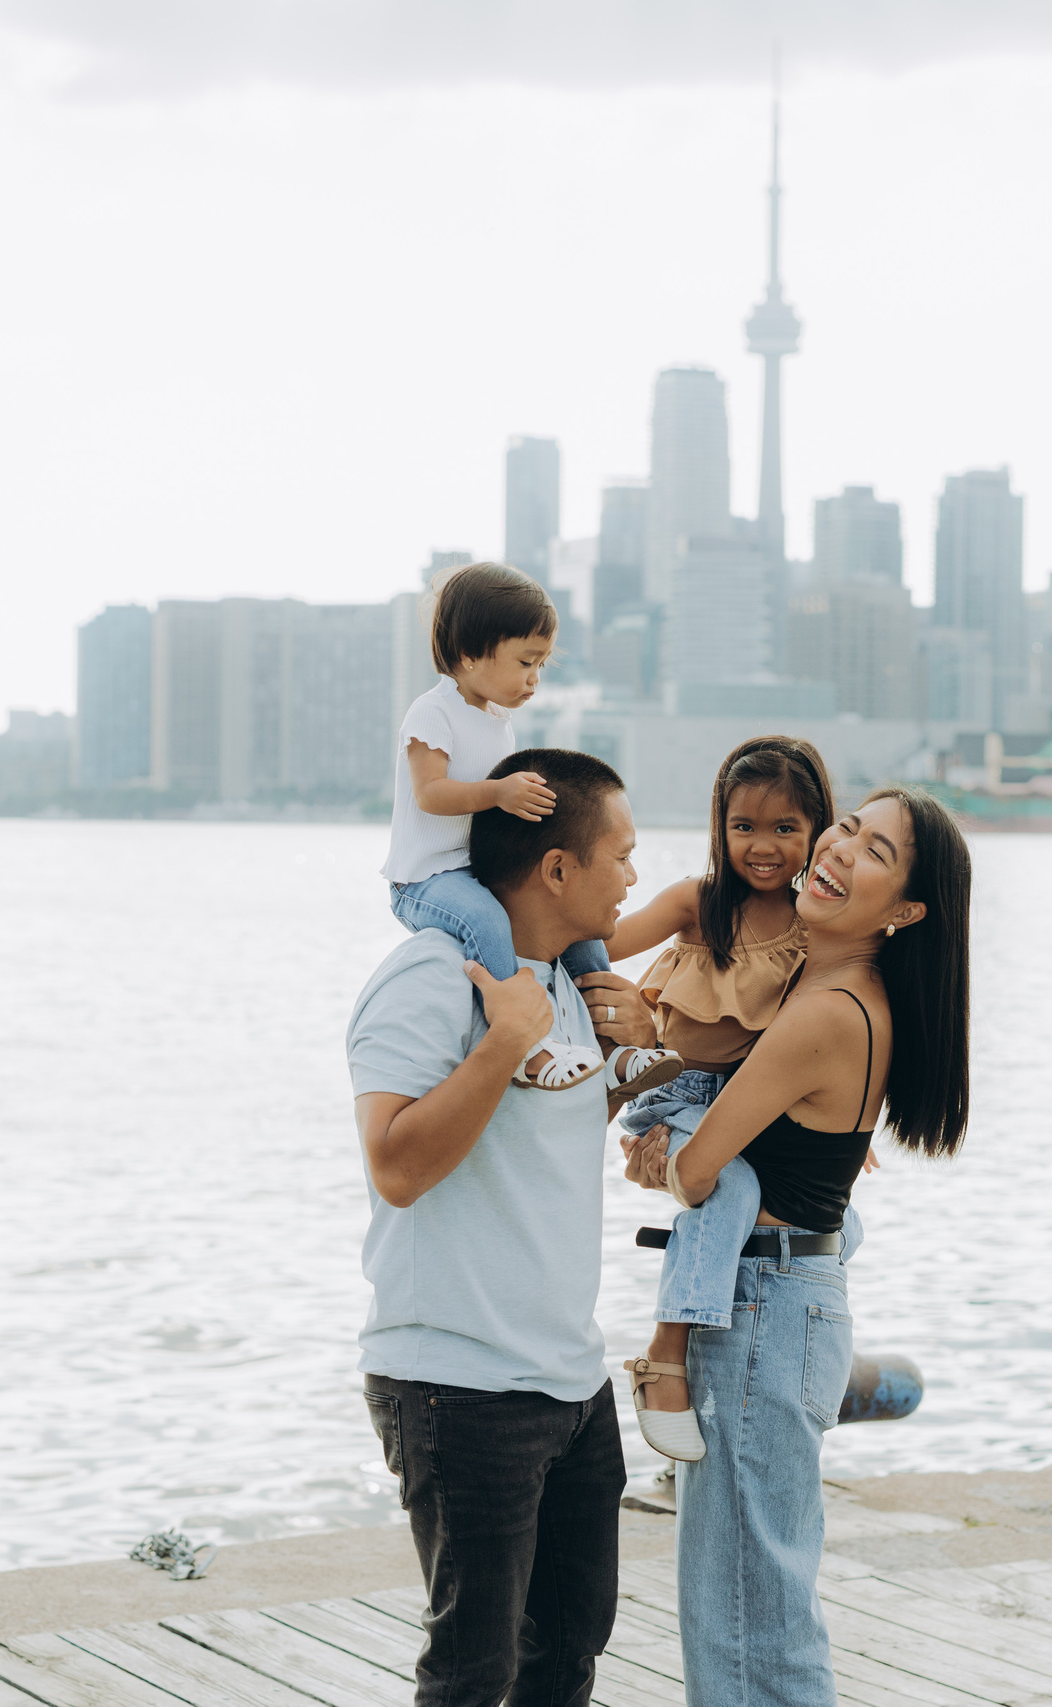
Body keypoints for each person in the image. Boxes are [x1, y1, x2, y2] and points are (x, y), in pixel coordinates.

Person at [622, 785, 973, 1707]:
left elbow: (700, 1173)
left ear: (904, 910)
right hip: (784, 1302)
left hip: (767, 1314)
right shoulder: (821, 988)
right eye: (849, 825)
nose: (841, 847)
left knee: (749, 1617)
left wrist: (658, 1157)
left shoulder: (830, 1011)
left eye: (878, 852)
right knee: (749, 1606)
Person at [349, 748, 666, 1707]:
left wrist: (641, 1051)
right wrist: (500, 1043)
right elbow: (397, 1165)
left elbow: (548, 1129)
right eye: (621, 854)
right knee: (471, 1671)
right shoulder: (431, 976)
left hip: (570, 1380)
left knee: (568, 1648)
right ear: (558, 868)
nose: (634, 877)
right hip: (457, 1383)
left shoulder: (566, 985)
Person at [597, 736, 838, 1463]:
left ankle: (799, 1356)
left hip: (750, 1107)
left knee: (835, 1222)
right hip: (675, 1095)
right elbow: (593, 938)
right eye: (744, 827)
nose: (763, 846)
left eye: (785, 828)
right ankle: (667, 1350)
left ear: (817, 830)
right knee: (727, 1184)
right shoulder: (696, 904)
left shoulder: (815, 931)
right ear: (719, 827)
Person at [382, 560, 679, 1099]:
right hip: (426, 879)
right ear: (470, 654)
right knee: (489, 923)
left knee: (586, 941)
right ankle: (521, 1044)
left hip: (475, 869)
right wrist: (499, 793)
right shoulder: (432, 713)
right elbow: (432, 793)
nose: (534, 680)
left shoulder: (497, 720)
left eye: (541, 664)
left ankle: (612, 1053)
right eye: (525, 662)